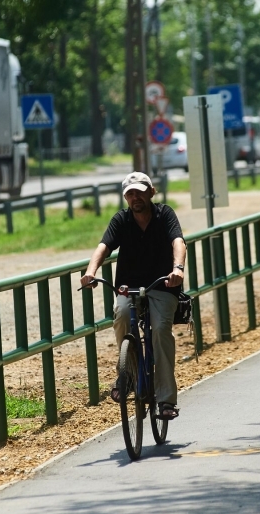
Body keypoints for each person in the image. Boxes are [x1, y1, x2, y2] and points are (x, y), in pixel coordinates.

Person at [80, 172, 186, 420]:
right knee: (121, 316)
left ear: (151, 192)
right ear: (125, 197)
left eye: (139, 191)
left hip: (163, 286)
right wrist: (90, 272)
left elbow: (178, 242)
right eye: (130, 193)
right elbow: (104, 246)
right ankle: (127, 373)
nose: (135, 197)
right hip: (129, 287)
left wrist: (177, 269)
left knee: (160, 330)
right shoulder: (121, 220)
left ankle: (166, 400)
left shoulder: (165, 214)